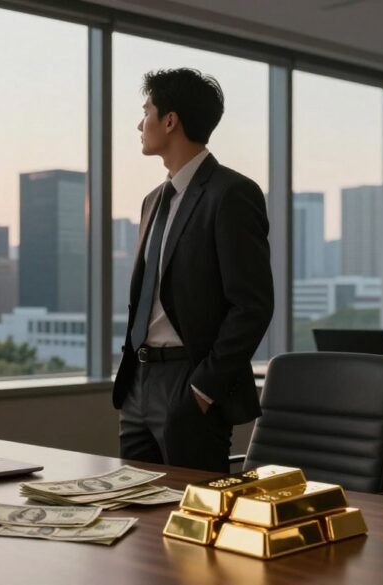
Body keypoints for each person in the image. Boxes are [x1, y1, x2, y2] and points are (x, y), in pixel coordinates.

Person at [113, 68, 274, 473]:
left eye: (146, 111)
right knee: (134, 516)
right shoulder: (153, 201)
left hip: (189, 382)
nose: (140, 123)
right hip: (139, 383)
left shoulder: (232, 193)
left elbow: (251, 305)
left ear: (170, 121)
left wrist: (203, 390)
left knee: (193, 522)